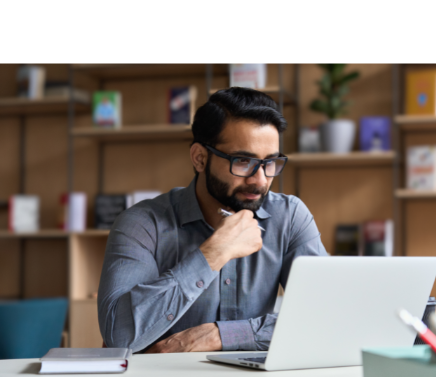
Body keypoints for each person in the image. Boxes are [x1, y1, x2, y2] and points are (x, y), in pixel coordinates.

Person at [98, 87, 328, 354]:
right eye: (243, 161)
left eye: (270, 163)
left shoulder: (289, 217)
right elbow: (119, 336)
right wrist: (213, 253)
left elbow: (327, 316)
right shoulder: (141, 224)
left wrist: (220, 335)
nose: (261, 180)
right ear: (199, 158)